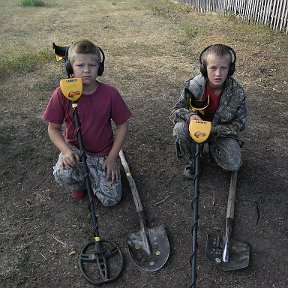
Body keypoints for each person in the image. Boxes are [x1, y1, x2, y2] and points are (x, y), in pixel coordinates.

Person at [43, 39, 132, 205]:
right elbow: (53, 129)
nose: (86, 70)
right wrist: (67, 151)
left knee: (111, 200)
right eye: (80, 65)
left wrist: (112, 157)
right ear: (70, 67)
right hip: (76, 151)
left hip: (102, 153)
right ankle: (81, 183)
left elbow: (122, 125)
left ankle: (94, 176)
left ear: (100, 67)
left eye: (92, 65)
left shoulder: (110, 93)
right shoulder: (61, 93)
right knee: (63, 174)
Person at [171, 44, 247, 179]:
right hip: (195, 130)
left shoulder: (237, 93)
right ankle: (194, 158)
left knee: (234, 164)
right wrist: (191, 116)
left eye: (223, 68)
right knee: (180, 128)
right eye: (213, 68)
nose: (218, 74)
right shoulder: (194, 86)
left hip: (218, 133)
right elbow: (177, 110)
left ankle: (213, 148)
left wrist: (215, 130)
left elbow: (239, 125)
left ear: (231, 69)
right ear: (204, 69)